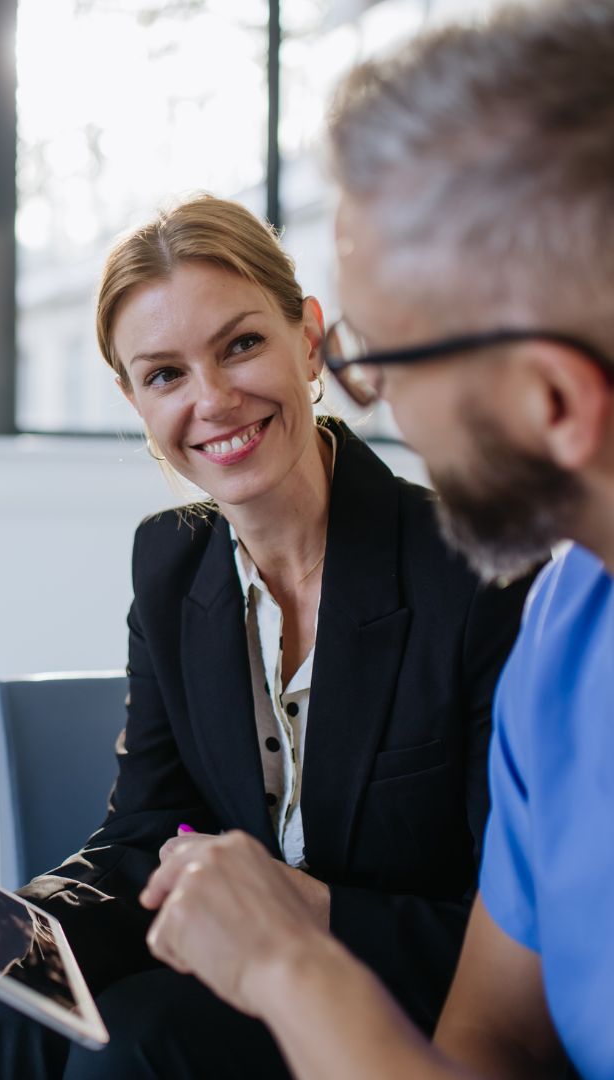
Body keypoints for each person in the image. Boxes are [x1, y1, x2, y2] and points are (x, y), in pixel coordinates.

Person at [139, 3, 614, 1078]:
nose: (375, 400)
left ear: (551, 401)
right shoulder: (565, 623)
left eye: (381, 357)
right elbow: (493, 1038)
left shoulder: (491, 593)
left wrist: (289, 965)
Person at [0, 195, 532, 1079]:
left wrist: (306, 908)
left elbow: (516, 926)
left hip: (422, 1004)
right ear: (133, 399)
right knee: (27, 992)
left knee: (136, 1041)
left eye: (241, 345)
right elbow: (152, 822)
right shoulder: (171, 563)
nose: (214, 401)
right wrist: (28, 922)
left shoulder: (476, 574)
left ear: (307, 338)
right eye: (165, 375)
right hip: (239, 970)